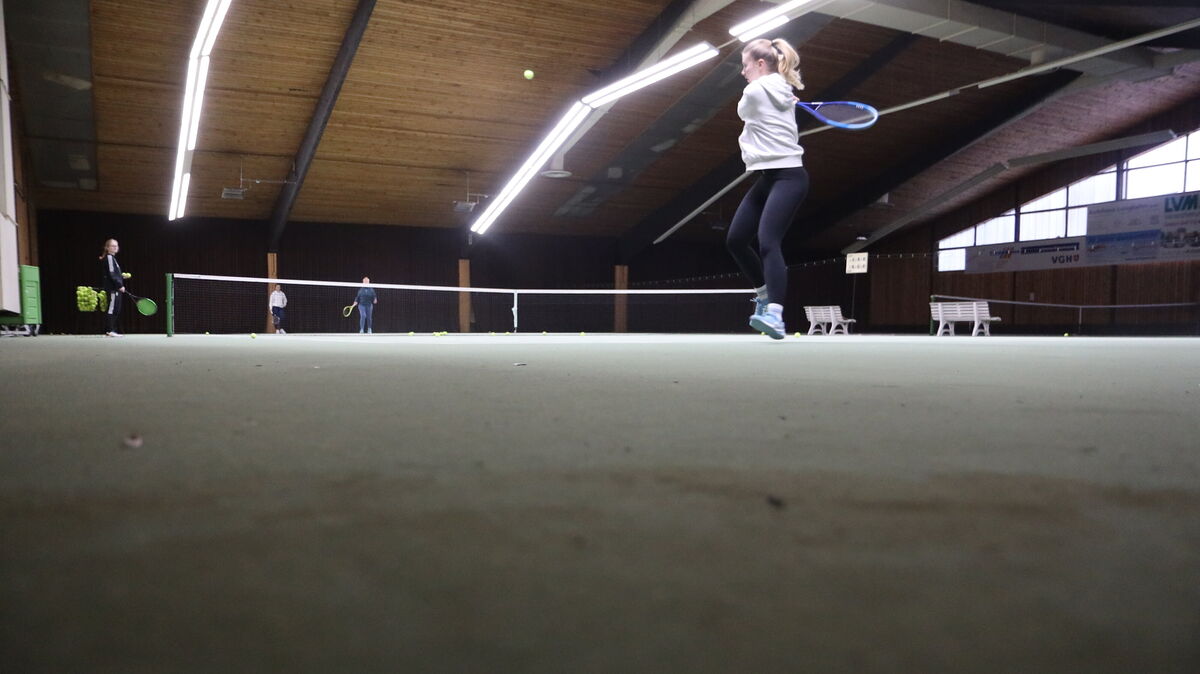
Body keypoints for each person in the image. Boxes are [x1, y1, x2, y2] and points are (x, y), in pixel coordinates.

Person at [726, 37, 810, 340]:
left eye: (746, 65)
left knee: (767, 242)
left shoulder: (755, 90)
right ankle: (763, 295)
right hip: (767, 177)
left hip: (788, 176)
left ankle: (775, 315)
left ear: (761, 64)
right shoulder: (783, 90)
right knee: (736, 239)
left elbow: (743, 113)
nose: (743, 71)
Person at [99, 239, 126, 337]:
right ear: (107, 248)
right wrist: (120, 285)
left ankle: (110, 330)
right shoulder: (109, 258)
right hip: (113, 289)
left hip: (115, 288)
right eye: (113, 246)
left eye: (117, 245)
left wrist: (121, 276)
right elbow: (111, 274)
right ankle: (109, 330)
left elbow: (113, 273)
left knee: (116, 309)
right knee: (112, 308)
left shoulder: (112, 258)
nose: (115, 247)